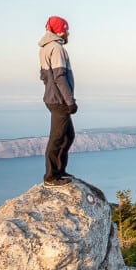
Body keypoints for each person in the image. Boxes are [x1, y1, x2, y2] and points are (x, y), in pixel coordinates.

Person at [39, 15, 77, 187]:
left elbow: (43, 76)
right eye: (66, 29)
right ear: (60, 30)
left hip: (53, 98)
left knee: (68, 135)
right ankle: (51, 177)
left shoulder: (45, 48)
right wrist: (70, 101)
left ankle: (59, 171)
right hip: (60, 101)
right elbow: (60, 76)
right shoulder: (56, 48)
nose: (68, 33)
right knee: (58, 137)